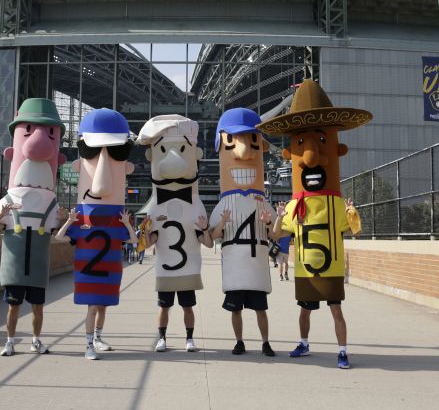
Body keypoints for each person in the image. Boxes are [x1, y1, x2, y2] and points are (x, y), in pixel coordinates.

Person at [260, 79, 370, 369]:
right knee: (304, 312)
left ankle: (343, 351)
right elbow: (276, 235)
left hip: (331, 269)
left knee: (336, 311)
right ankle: (304, 343)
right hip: (305, 270)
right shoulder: (293, 206)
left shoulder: (336, 204)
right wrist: (276, 217)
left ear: (336, 150)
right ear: (291, 155)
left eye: (322, 141)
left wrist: (352, 213)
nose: (310, 158)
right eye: (300, 145)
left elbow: (355, 231)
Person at [0, 98, 66, 357]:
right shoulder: (7, 200)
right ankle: (9, 342)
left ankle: (36, 340)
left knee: (38, 307)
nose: (38, 142)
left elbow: (58, 234)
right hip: (14, 265)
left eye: (50, 133)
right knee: (13, 306)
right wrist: (1, 215)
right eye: (28, 130)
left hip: (38, 265)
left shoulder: (51, 203)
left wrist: (67, 220)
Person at [54, 108, 138, 360]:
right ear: (79, 163)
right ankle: (88, 344)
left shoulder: (116, 218)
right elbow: (59, 238)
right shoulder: (82, 216)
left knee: (103, 307)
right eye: (90, 151)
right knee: (92, 307)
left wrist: (128, 224)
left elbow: (134, 241)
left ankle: (98, 338)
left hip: (109, 271)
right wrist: (68, 222)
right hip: (89, 272)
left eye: (116, 152)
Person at [137, 115, 214, 353]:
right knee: (164, 306)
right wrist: (143, 232)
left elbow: (208, 243)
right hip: (165, 267)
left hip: (188, 266)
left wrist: (205, 229)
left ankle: (189, 339)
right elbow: (147, 244)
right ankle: (162, 338)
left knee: (188, 307)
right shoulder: (154, 206)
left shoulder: (196, 204)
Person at [208, 108, 276, 356]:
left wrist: (269, 223)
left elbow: (277, 235)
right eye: (232, 141)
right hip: (235, 267)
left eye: (253, 142)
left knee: (260, 309)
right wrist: (222, 224)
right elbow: (211, 238)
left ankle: (265, 342)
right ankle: (239, 341)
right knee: (235, 309)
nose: (245, 153)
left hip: (256, 265)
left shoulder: (262, 202)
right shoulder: (223, 204)